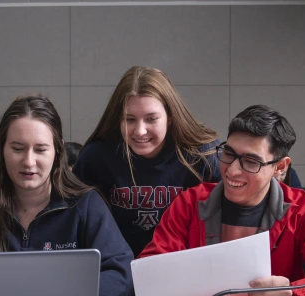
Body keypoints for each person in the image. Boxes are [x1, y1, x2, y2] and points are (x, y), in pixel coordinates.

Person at [140, 105, 305, 296]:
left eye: (251, 161)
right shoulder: (189, 204)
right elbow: (149, 273)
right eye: (228, 153)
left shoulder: (304, 211)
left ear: (280, 167)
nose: (232, 170)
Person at [0, 95, 134, 296]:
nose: (28, 161)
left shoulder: (86, 205)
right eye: (17, 148)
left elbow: (122, 274)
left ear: (58, 150)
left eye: (41, 149)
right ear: (1, 146)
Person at [73, 66, 221, 257]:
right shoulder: (96, 156)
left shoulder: (204, 154)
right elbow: (73, 220)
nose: (140, 131)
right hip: (118, 270)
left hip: (185, 269)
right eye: (130, 119)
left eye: (151, 119)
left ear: (170, 117)